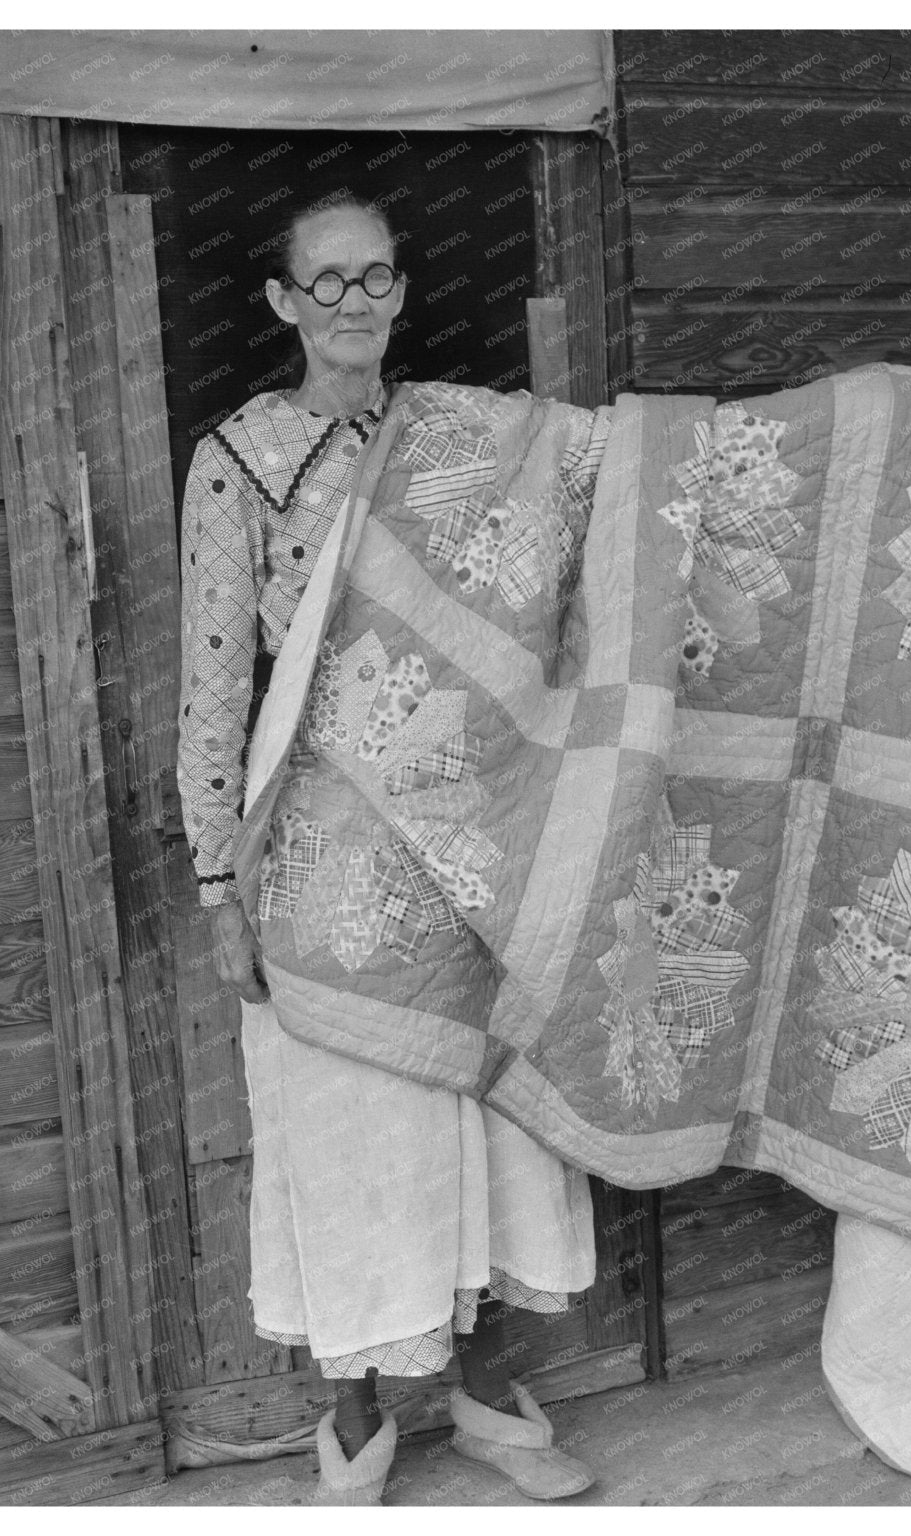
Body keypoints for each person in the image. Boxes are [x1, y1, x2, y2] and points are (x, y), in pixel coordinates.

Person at [175, 189, 599, 1505]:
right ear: (283, 303)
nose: (353, 303)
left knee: (477, 1111)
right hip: (312, 852)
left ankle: (477, 1390)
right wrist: (215, 880)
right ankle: (354, 1408)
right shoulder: (237, 462)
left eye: (377, 280)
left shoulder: (459, 445)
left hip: (461, 838)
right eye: (327, 281)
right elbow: (211, 683)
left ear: (402, 294)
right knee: (349, 1125)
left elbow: (563, 567)